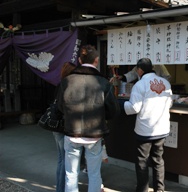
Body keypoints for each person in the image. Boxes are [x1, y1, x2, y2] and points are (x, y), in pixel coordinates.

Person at [57, 45, 120, 192]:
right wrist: (101, 117)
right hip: (94, 135)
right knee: (94, 174)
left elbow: (60, 106)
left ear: (79, 60)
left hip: (72, 133)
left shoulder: (67, 81)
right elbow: (113, 110)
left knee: (71, 175)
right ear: (96, 61)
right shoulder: (103, 82)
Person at [123, 58, 173, 192]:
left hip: (145, 130)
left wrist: (124, 104)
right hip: (161, 128)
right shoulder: (166, 83)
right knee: (158, 160)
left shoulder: (140, 85)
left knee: (142, 162)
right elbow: (170, 103)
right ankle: (160, 189)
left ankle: (142, 189)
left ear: (140, 70)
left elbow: (134, 108)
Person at [53, 62, 76, 192]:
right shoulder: (68, 85)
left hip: (55, 126)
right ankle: (62, 189)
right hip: (63, 126)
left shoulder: (59, 85)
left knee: (61, 159)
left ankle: (59, 188)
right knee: (65, 161)